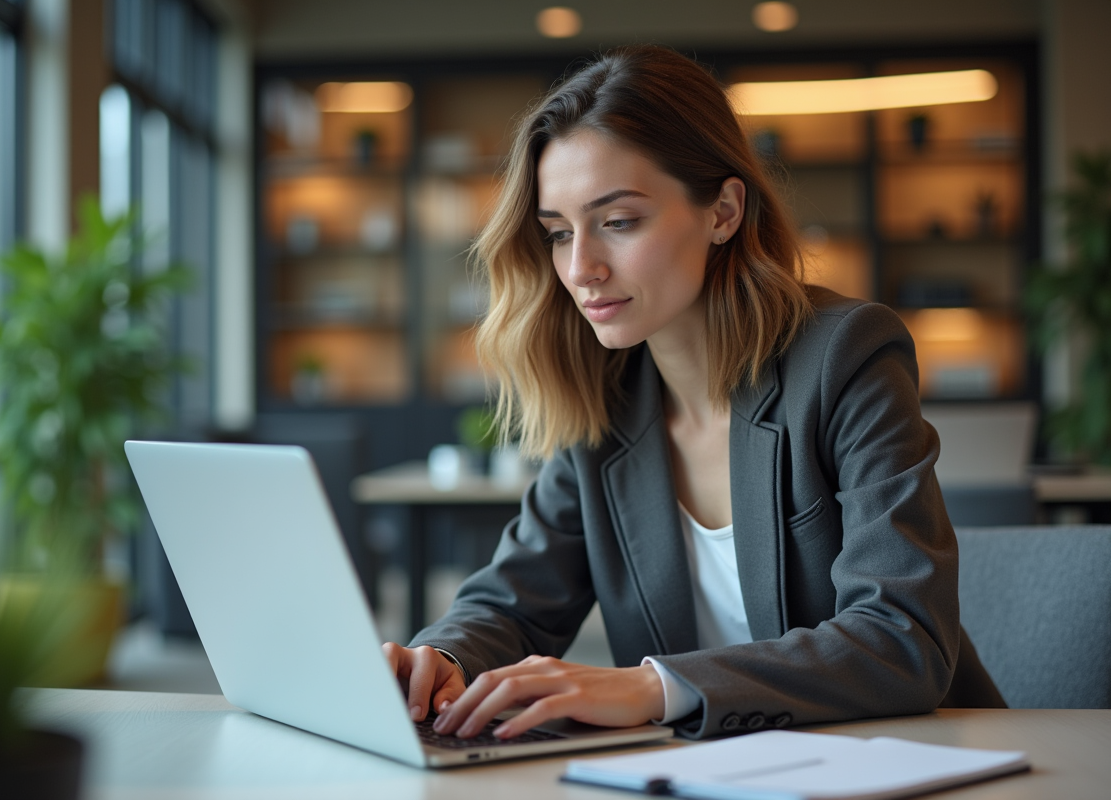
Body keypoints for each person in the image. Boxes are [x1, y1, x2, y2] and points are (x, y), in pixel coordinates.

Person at [382, 45, 1005, 742]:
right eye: (558, 233)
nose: (581, 267)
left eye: (618, 222)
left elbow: (901, 641)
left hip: (909, 759)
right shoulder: (605, 400)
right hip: (712, 773)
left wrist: (655, 686)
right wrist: (438, 658)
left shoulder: (846, 357)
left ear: (723, 211)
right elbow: (513, 603)